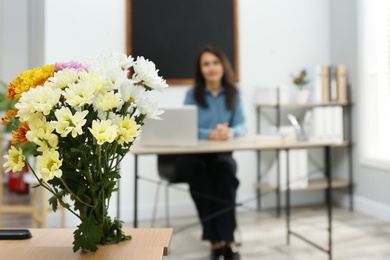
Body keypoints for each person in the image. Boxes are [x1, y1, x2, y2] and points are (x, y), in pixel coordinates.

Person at [175, 46, 246, 260]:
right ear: (201, 69)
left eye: (215, 63)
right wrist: (210, 134)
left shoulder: (234, 93)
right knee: (200, 177)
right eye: (206, 64)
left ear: (223, 66)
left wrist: (229, 131)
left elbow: (243, 126)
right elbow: (188, 127)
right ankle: (216, 243)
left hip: (222, 155)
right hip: (195, 156)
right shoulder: (192, 94)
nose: (211, 68)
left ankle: (229, 241)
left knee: (225, 172)